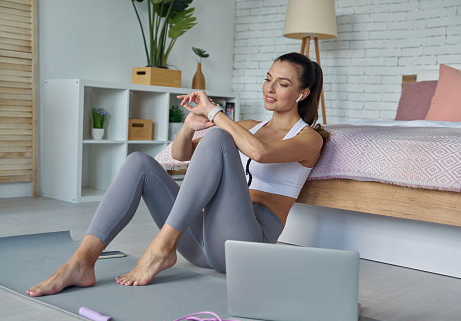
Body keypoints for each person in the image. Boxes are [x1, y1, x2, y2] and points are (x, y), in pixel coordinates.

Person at [27, 52, 329, 297]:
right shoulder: (249, 125)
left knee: (220, 137)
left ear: (303, 93)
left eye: (282, 84)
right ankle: (82, 261)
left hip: (247, 247)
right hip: (202, 247)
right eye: (267, 79)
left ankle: (160, 248)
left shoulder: (309, 139)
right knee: (139, 163)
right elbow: (182, 155)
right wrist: (190, 124)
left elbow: (261, 152)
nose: (269, 88)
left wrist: (215, 112)